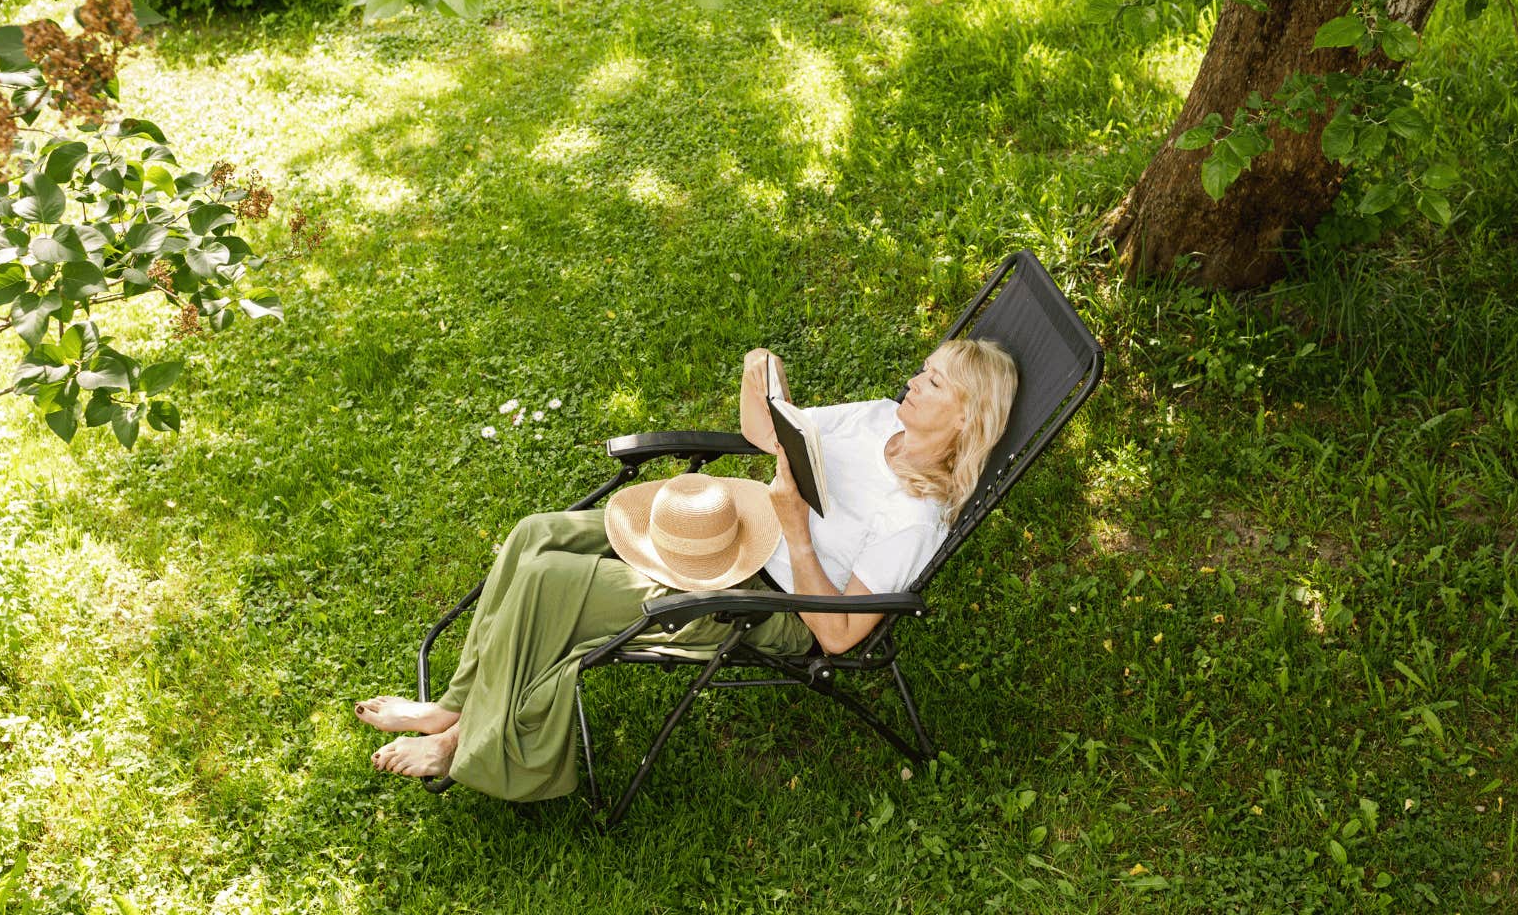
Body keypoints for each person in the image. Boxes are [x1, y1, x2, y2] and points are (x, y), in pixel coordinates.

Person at [354, 339, 1019, 800]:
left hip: (773, 602)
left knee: (550, 582)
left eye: (932, 381)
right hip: (735, 531)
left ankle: (467, 742)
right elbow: (768, 432)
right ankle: (453, 706)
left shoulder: (914, 516)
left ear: (965, 416)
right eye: (923, 369)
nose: (912, 380)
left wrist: (795, 532)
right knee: (537, 535)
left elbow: (840, 636)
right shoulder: (880, 421)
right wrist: (759, 375)